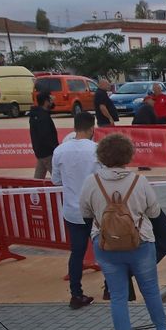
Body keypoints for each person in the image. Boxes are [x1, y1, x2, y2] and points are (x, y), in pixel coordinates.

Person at [77, 134, 166, 330]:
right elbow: (154, 212)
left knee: (118, 295)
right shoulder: (139, 181)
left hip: (106, 245)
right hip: (140, 243)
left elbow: (85, 213)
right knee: (150, 290)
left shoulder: (92, 182)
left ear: (101, 156)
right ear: (128, 155)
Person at [52, 112, 99, 309]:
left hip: (72, 210)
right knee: (104, 250)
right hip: (95, 209)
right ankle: (109, 288)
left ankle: (76, 294)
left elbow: (56, 180)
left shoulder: (60, 151)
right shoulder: (96, 150)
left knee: (76, 253)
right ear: (91, 129)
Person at [28, 90, 57, 179]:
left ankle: (34, 192)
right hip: (48, 152)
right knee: (58, 178)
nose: (52, 102)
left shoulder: (35, 115)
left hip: (40, 151)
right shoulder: (43, 117)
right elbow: (45, 136)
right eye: (50, 100)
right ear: (46, 102)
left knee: (38, 178)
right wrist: (55, 148)